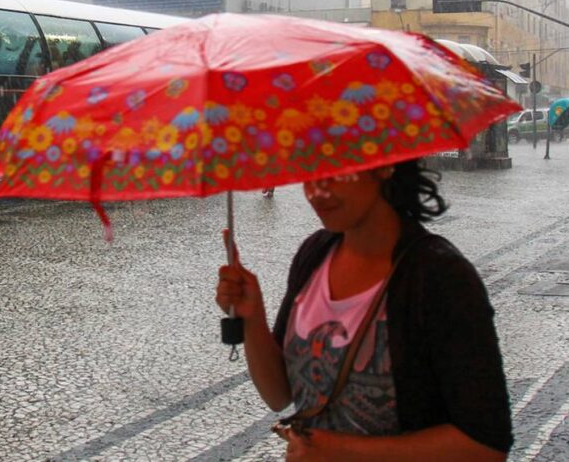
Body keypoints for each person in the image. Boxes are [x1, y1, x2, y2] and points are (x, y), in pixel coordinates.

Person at [216, 160, 513, 461]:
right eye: (309, 171)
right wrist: (253, 318)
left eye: (336, 170)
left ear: (383, 164)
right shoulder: (314, 255)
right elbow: (278, 394)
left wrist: (345, 452)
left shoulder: (440, 276)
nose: (316, 191)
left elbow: (486, 445)